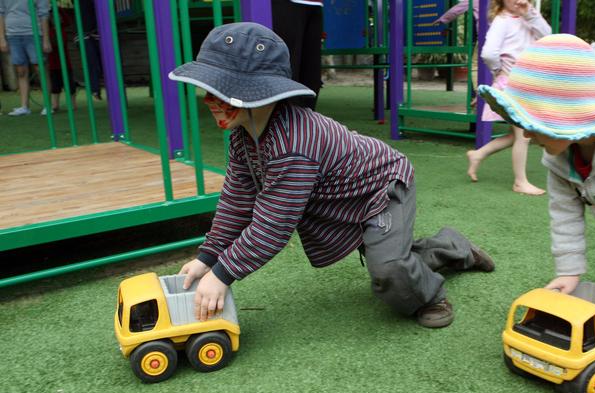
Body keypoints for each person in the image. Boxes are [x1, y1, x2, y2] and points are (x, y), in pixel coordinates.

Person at [169, 22, 495, 329]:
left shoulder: (291, 144)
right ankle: (451, 246)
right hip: (343, 197)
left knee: (389, 269)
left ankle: (431, 296)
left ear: (256, 92)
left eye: (220, 91)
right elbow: (237, 201)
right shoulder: (244, 134)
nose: (209, 100)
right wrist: (208, 256)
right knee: (391, 254)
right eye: (208, 89)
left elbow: (273, 224)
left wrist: (223, 274)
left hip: (381, 189)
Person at [479, 33, 595, 330]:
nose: (528, 136)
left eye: (535, 125)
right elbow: (564, 215)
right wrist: (570, 272)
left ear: (571, 119)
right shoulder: (560, 158)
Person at [466, 0, 550, 195]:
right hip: (512, 85)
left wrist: (531, 14)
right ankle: (520, 182)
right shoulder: (502, 20)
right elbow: (488, 53)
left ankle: (478, 154)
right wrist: (499, 71)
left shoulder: (528, 17)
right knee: (523, 135)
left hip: (524, 85)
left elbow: (548, 37)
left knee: (520, 134)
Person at [0, 0, 51, 116]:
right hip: (12, 35)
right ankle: (24, 107)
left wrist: (46, 40)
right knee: (21, 71)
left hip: (34, 33)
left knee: (40, 69)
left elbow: (44, 15)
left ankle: (48, 106)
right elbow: (1, 14)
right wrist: (2, 38)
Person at [271, 0, 322, 110]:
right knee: (287, 69)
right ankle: (281, 123)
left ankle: (304, 123)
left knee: (311, 76)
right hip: (286, 4)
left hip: (315, 4)